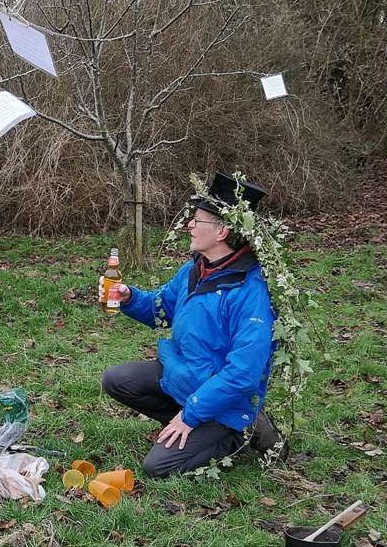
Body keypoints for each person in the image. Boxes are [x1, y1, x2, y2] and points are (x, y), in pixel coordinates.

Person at [100, 172, 287, 478]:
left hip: (226, 401)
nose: (189, 225)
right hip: (186, 377)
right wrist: (128, 296)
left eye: (197, 220)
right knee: (117, 378)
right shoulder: (195, 270)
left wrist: (191, 416)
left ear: (222, 231)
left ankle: (236, 433)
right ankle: (189, 425)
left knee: (157, 467)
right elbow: (161, 311)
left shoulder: (253, 293)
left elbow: (243, 373)